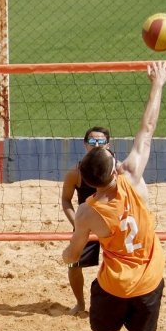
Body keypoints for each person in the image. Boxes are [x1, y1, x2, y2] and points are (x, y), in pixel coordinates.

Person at [62, 61, 166, 331]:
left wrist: (69, 249)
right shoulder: (134, 179)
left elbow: (73, 255)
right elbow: (146, 130)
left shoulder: (89, 210)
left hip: (111, 287)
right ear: (114, 167)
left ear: (87, 180)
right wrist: (157, 84)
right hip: (146, 284)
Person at [60, 126, 112, 315]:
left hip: (110, 225)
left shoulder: (118, 171)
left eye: (100, 141)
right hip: (85, 225)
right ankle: (80, 304)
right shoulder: (75, 172)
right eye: (92, 141)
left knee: (116, 265)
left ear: (108, 144)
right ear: (85, 145)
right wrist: (77, 224)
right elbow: (65, 200)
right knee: (73, 264)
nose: (96, 145)